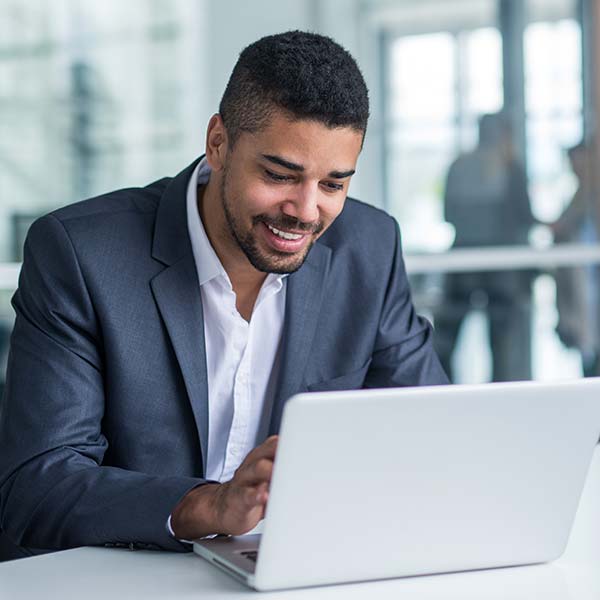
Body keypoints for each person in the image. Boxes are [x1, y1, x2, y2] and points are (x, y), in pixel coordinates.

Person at [0, 31, 447, 558]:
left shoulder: (368, 248)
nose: (305, 211)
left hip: (292, 571)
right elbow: (36, 486)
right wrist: (208, 506)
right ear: (218, 143)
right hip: (121, 575)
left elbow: (430, 434)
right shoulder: (82, 254)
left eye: (333, 185)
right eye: (280, 175)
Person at [434, 112, 536, 382]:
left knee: (448, 336)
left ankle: (442, 390)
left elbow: (448, 215)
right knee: (502, 340)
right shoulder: (510, 167)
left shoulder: (458, 165)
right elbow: (524, 216)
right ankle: (502, 397)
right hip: (500, 264)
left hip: (462, 258)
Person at [551, 141, 600, 376]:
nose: (575, 169)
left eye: (578, 162)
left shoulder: (591, 196)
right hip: (584, 284)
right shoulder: (580, 195)